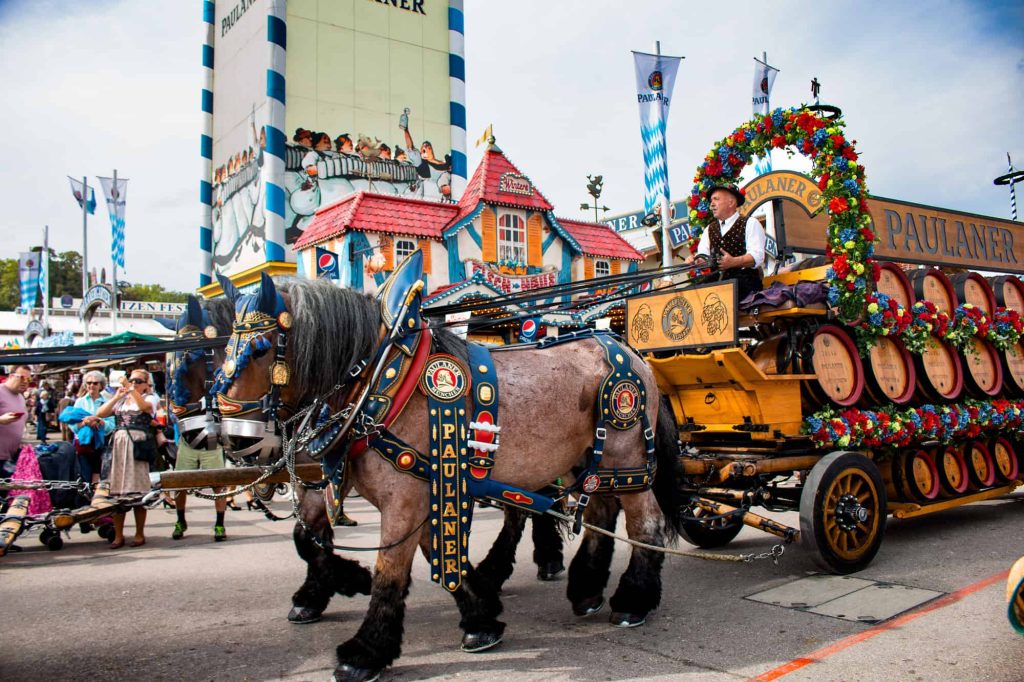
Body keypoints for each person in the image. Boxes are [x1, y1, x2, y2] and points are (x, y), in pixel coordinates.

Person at [95, 369, 160, 549]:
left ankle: (139, 533)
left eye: (139, 380)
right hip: (119, 444)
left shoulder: (150, 398)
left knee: (138, 490)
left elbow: (144, 409)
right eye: (132, 380)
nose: (134, 383)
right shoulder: (123, 399)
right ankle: (118, 535)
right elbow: (101, 412)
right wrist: (117, 397)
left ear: (147, 384)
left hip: (138, 444)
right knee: (117, 491)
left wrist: (131, 390)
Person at [686, 184, 766, 301]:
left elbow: (757, 257)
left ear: (731, 202)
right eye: (711, 200)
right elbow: (704, 258)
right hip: (718, 281)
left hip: (745, 283)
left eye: (716, 199)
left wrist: (734, 262)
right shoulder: (710, 229)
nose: (712, 204)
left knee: (719, 296)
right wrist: (696, 261)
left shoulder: (750, 223)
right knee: (689, 294)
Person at [171, 412, 230, 542]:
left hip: (212, 441)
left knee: (219, 485)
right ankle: (181, 521)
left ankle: (220, 524)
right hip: (188, 440)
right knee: (179, 484)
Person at [68, 371, 115, 487]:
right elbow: (72, 425)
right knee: (84, 474)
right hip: (85, 444)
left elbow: (112, 424)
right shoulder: (80, 402)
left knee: (101, 475)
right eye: (89, 383)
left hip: (102, 443)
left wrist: (100, 422)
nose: (91, 386)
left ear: (101, 385)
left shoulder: (107, 401)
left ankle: (98, 499)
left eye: (95, 383)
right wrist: (85, 423)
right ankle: (86, 499)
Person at [0, 366, 31, 477]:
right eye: (22, 378)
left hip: (12, 458)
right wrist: (1, 420)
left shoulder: (20, 397)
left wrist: (23, 439)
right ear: (11, 376)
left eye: (28, 379)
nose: (25, 382)